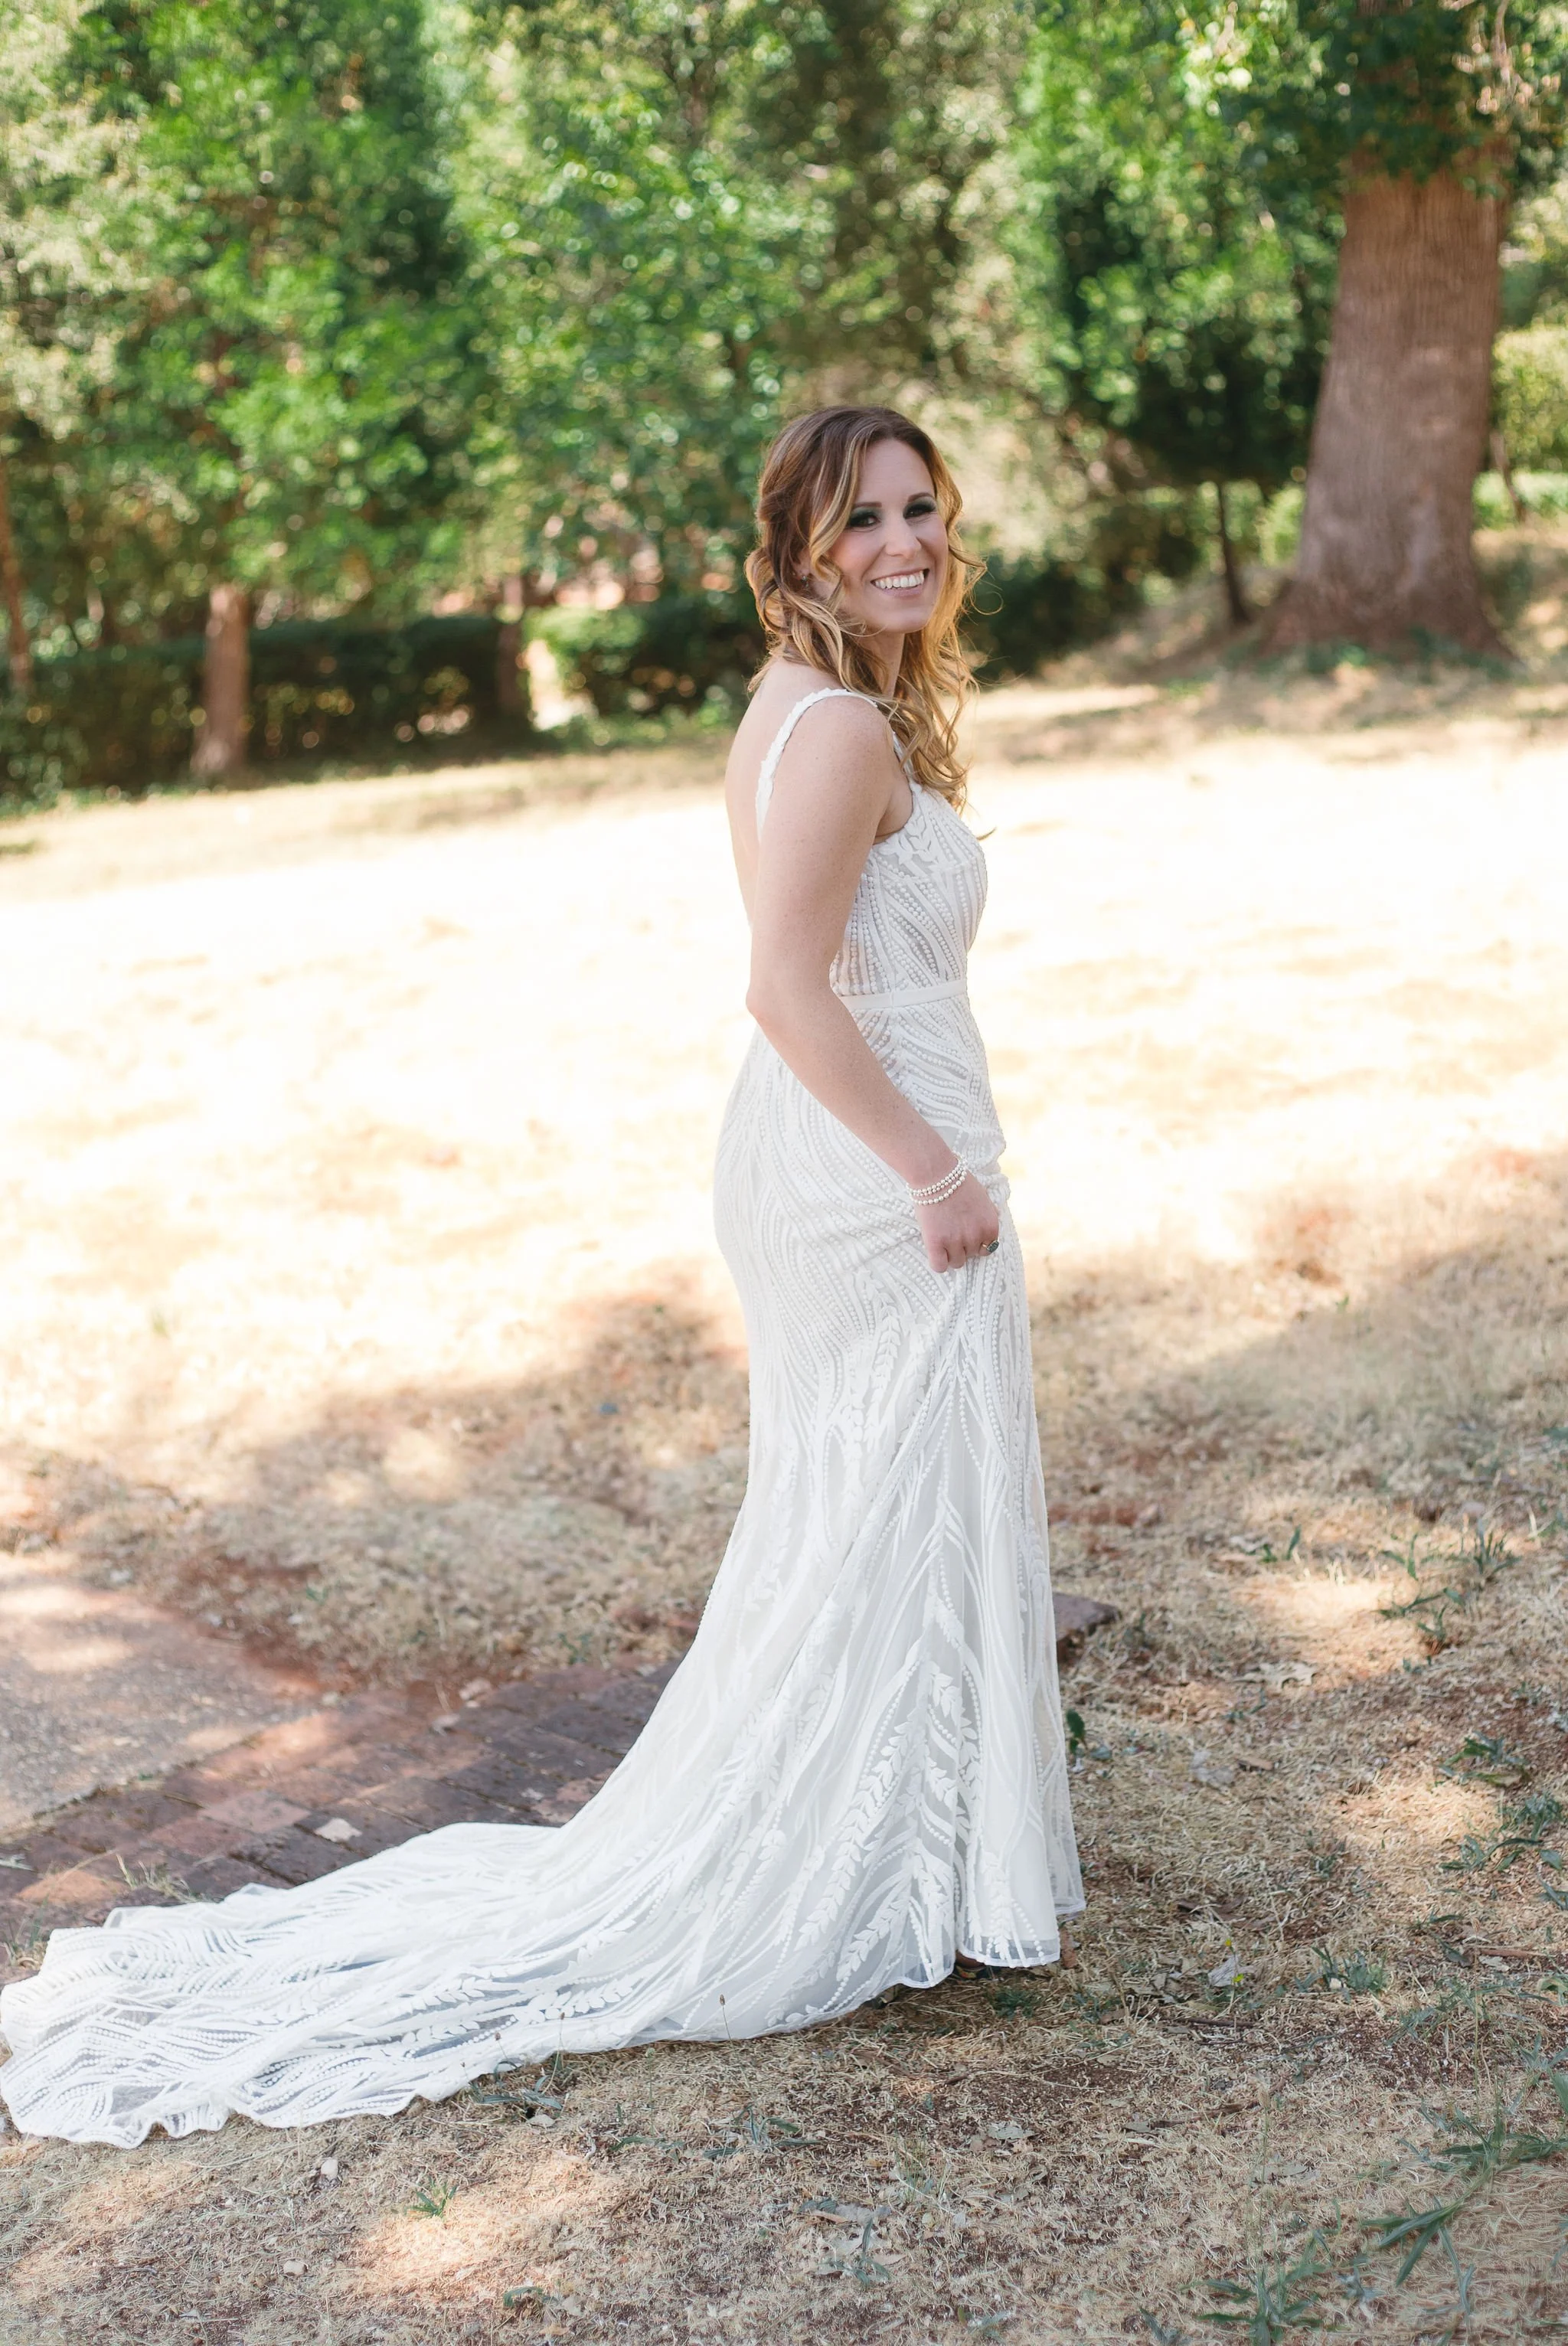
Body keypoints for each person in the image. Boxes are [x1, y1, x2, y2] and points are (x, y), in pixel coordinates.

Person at [0, 404, 1081, 2148]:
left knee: (885, 1509)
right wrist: (939, 1173)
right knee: (875, 1508)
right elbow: (785, 989)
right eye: (863, 518)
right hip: (874, 1165)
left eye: (921, 510)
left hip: (859, 1146)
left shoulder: (823, 709)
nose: (905, 541)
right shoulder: (837, 737)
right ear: (799, 552)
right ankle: (835, 1862)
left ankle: (908, 1845)